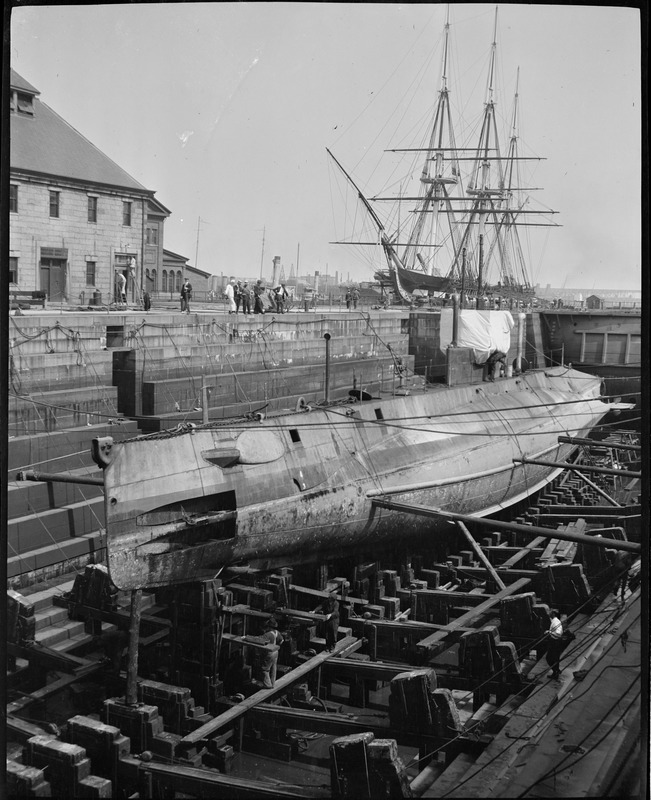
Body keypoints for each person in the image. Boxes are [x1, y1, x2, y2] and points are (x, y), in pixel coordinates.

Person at [546, 609, 563, 679]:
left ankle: (555, 672)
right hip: (555, 641)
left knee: (549, 658)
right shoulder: (554, 621)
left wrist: (549, 632)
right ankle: (556, 671)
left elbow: (558, 633)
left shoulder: (556, 622)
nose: (549, 613)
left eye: (551, 612)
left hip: (555, 642)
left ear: (553, 614)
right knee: (555, 658)